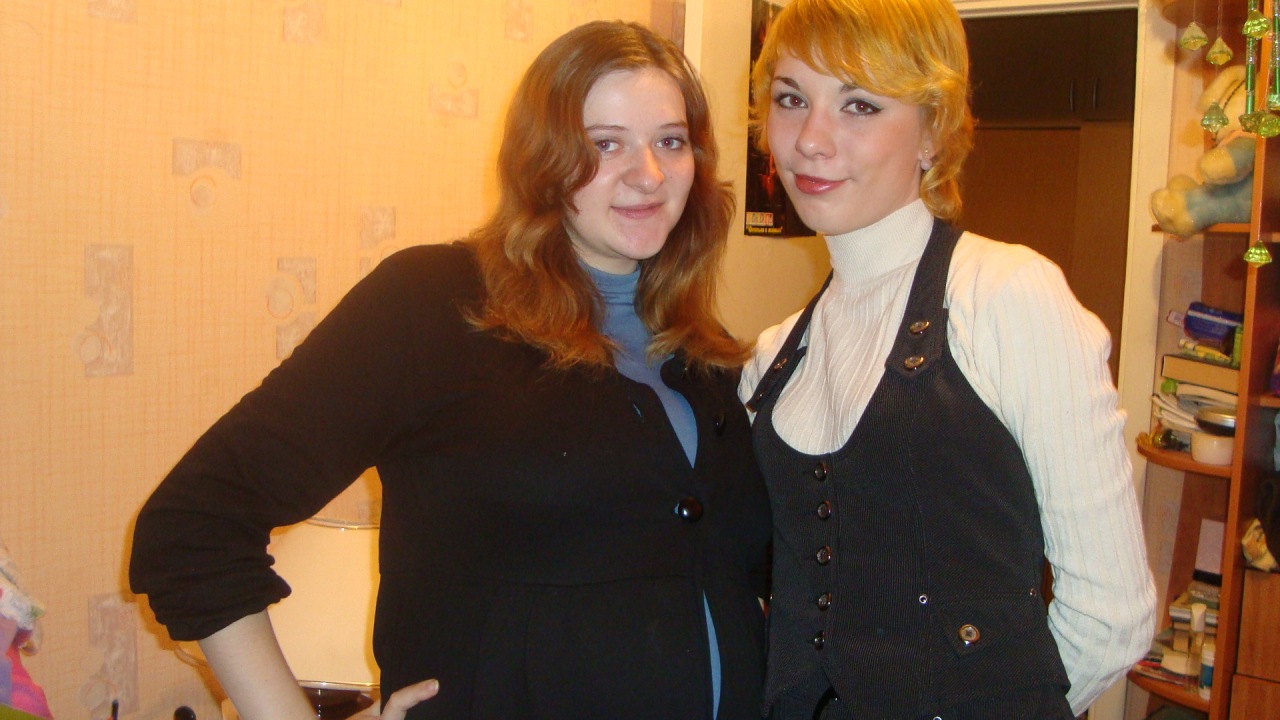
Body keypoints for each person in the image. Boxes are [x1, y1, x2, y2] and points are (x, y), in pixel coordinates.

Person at [130, 20, 772, 720]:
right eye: (605, 144)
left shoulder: (706, 356)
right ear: (543, 158)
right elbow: (193, 524)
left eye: (670, 141)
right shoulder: (433, 306)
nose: (648, 174)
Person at [738, 1, 1157, 718]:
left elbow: (1112, 616)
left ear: (933, 132)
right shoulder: (774, 356)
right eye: (791, 99)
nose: (810, 139)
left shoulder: (1005, 296)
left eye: (860, 105)